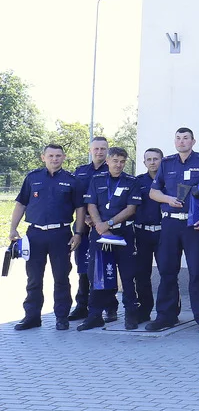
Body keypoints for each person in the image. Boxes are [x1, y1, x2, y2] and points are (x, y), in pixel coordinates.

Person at [146, 128, 199, 333]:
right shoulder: (167, 162)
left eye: (186, 138)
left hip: (195, 225)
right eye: (178, 138)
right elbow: (154, 192)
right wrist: (168, 199)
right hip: (170, 224)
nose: (182, 142)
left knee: (197, 271)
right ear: (175, 142)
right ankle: (166, 316)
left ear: (193, 141)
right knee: (167, 271)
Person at [10, 144, 85, 331]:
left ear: (64, 157)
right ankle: (32, 316)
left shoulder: (71, 181)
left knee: (61, 277)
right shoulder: (32, 178)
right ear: (43, 157)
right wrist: (12, 229)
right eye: (50, 155)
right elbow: (21, 203)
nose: (54, 159)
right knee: (34, 278)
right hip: (35, 234)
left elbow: (80, 208)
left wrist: (78, 233)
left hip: (60, 234)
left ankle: (61, 317)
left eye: (58, 155)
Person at [77, 147, 142, 331]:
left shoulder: (132, 181)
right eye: (115, 160)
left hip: (123, 233)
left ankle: (130, 314)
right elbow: (91, 204)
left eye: (122, 161)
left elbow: (131, 209)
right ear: (107, 161)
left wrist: (110, 223)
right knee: (97, 274)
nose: (118, 164)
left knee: (128, 275)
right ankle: (95, 315)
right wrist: (100, 226)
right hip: (100, 234)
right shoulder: (97, 180)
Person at [69, 136, 109, 321]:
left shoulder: (113, 169)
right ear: (90, 150)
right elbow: (76, 199)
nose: (99, 152)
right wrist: (84, 218)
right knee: (83, 268)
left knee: (105, 267)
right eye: (96, 149)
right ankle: (82, 306)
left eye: (103, 149)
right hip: (83, 227)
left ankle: (109, 306)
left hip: (104, 227)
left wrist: (99, 221)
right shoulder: (80, 172)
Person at [132, 148, 164, 323]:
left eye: (156, 159)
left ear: (162, 160)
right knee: (142, 274)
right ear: (144, 162)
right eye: (149, 159)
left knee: (167, 272)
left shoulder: (168, 181)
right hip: (142, 233)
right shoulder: (137, 182)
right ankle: (144, 310)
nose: (152, 162)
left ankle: (168, 311)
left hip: (163, 233)